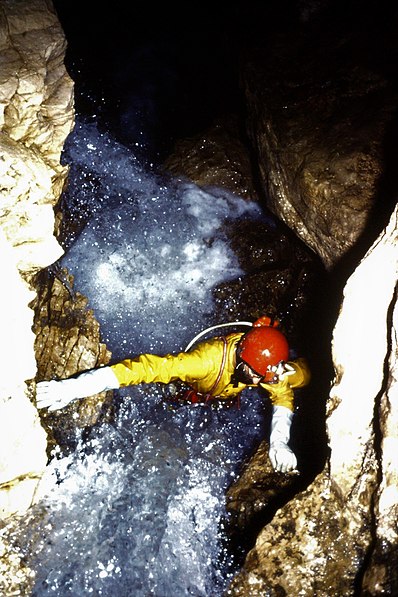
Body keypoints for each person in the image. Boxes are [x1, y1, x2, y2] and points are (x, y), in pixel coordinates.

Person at [36, 315, 310, 473]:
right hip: (195, 389)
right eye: (256, 376)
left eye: (264, 377)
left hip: (223, 393)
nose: (261, 382)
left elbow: (282, 397)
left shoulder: (265, 369)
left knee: (302, 377)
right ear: (241, 360)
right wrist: (73, 387)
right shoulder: (202, 362)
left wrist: (279, 443)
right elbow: (143, 369)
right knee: (168, 400)